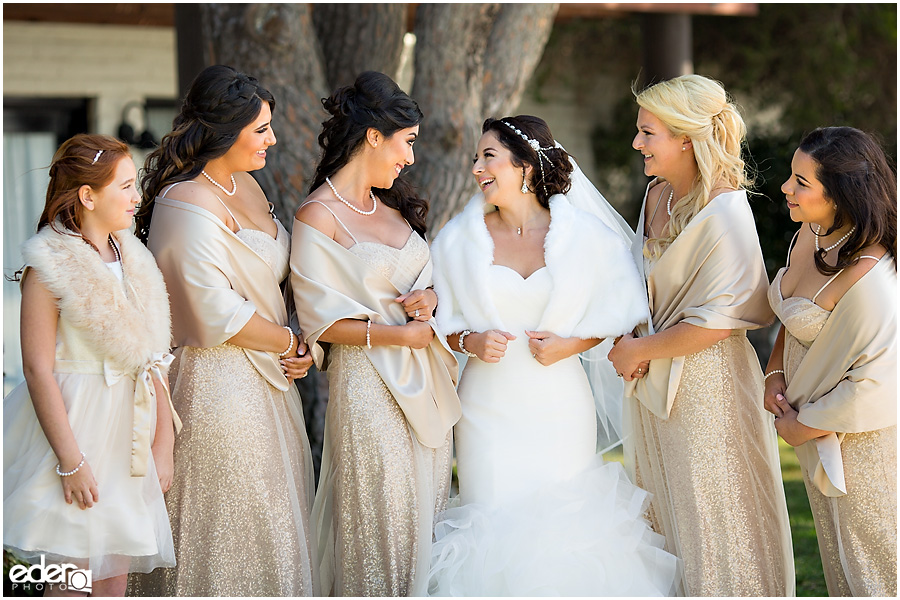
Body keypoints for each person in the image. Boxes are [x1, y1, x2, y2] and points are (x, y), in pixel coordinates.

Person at [427, 115, 679, 596]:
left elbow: (621, 314)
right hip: (486, 409)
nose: (476, 167)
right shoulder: (458, 239)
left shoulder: (585, 236)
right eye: (476, 158)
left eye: (488, 157)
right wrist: (469, 342)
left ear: (524, 167)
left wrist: (571, 343)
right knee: (491, 523)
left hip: (559, 404)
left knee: (568, 527)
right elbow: (439, 321)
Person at [126, 65, 317, 596]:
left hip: (270, 389)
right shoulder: (183, 200)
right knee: (227, 536)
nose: (272, 139)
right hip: (216, 392)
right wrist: (289, 342)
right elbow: (210, 309)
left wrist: (300, 338)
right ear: (223, 129)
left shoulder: (250, 188)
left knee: (272, 532)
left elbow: (275, 283)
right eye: (261, 129)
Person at [607, 74, 795, 595]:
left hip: (708, 385)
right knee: (661, 505)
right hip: (651, 379)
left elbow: (719, 319)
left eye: (648, 132)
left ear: (685, 138)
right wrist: (631, 340)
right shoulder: (654, 195)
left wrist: (640, 349)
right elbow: (643, 287)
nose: (636, 143)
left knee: (711, 512)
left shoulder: (726, 209)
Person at [291, 71, 461, 597]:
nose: (409, 157)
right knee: (380, 525)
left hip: (425, 386)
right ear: (372, 136)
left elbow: (429, 280)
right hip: (368, 390)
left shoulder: (390, 206)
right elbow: (320, 321)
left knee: (424, 519)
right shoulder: (317, 216)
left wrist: (431, 300)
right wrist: (400, 338)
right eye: (406, 142)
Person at [4, 134, 179, 596]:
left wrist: (163, 439)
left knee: (113, 576)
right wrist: (70, 461)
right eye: (125, 186)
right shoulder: (49, 265)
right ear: (88, 195)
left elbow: (151, 355)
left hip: (128, 432)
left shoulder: (134, 259)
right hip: (77, 427)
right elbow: (38, 368)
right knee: (72, 574)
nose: (137, 197)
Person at [765, 126, 897, 597]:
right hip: (812, 431)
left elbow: (879, 381)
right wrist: (775, 370)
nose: (787, 188)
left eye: (802, 182)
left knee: (874, 563)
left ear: (841, 195)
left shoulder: (871, 277)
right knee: (837, 556)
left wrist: (806, 425)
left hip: (861, 445)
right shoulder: (810, 232)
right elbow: (791, 311)